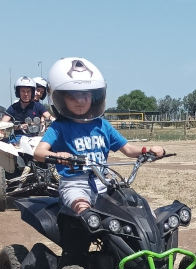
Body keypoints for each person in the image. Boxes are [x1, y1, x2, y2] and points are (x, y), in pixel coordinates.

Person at [34, 57, 165, 214]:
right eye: (72, 96)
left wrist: (147, 151)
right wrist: (57, 156)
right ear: (60, 98)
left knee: (134, 205)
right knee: (83, 209)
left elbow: (128, 149)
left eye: (85, 95)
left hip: (104, 181)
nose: (80, 101)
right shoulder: (59, 127)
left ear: (94, 97)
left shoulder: (102, 125)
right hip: (75, 184)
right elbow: (39, 153)